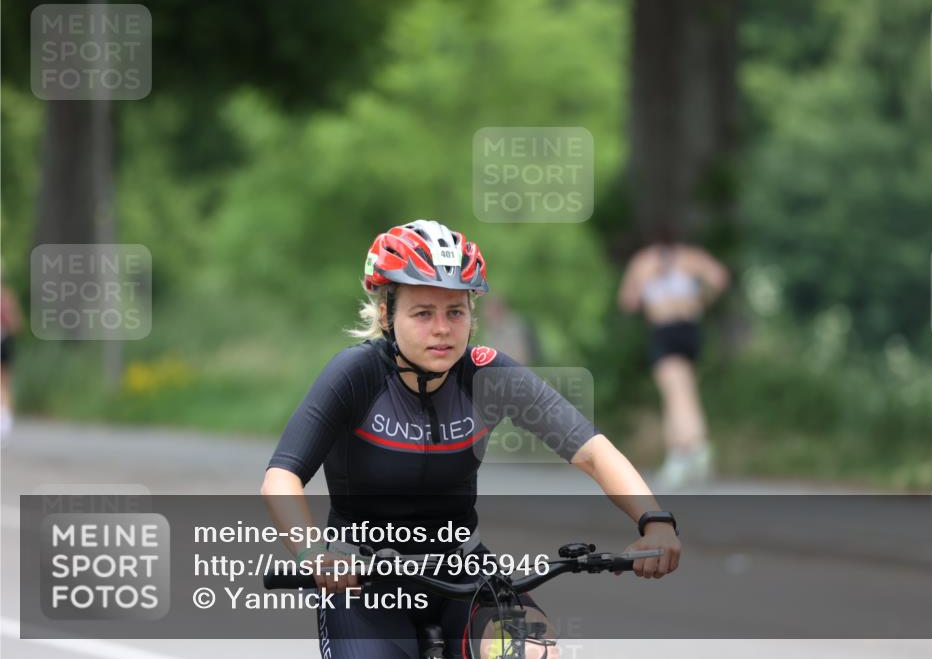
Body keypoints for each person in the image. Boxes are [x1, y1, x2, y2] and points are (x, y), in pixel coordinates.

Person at [261, 220, 681, 659]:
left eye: (455, 312)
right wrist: (314, 552)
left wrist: (655, 521)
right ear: (386, 314)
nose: (442, 329)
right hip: (365, 580)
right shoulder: (355, 374)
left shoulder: (488, 373)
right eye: (423, 313)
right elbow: (281, 477)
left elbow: (593, 452)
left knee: (535, 652)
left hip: (465, 570)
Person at [617, 229, 729, 489]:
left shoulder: (644, 261)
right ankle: (681, 452)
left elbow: (628, 301)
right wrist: (700, 300)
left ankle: (692, 447)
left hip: (665, 330)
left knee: (677, 394)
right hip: (689, 328)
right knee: (682, 390)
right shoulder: (690, 258)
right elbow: (719, 278)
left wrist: (648, 288)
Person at [1, 280, 24, 444]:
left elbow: (16, 324)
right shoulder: (7, 297)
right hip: (6, 341)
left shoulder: (7, 298)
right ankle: (5, 425)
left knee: (4, 383)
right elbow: (17, 325)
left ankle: (5, 425)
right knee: (5, 384)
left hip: (4, 342)